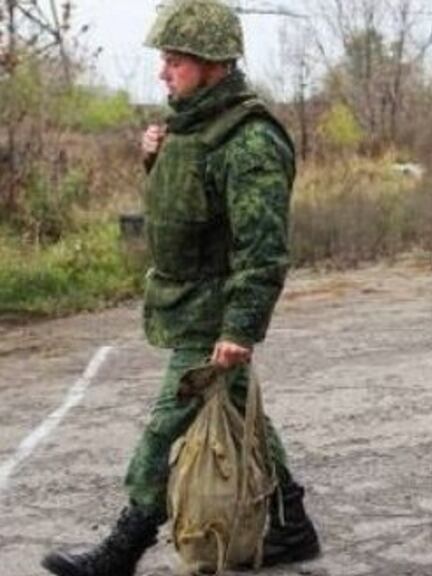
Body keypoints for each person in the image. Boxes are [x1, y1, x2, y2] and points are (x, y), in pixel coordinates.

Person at [41, 1, 320, 574]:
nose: (163, 72)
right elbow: (191, 209)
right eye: (165, 60)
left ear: (214, 64)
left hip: (213, 315)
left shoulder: (250, 142)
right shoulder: (189, 129)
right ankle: (293, 526)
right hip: (188, 305)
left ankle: (124, 546)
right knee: (241, 411)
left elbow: (262, 250)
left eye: (174, 61)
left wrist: (239, 328)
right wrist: (154, 162)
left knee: (162, 430)